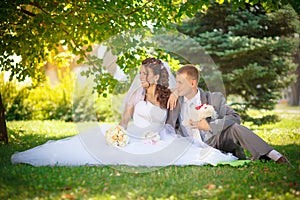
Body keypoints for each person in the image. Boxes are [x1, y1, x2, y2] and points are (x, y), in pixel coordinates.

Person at [11, 58, 237, 167]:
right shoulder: (136, 95)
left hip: (159, 137)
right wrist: (120, 130)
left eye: (145, 75)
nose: (141, 78)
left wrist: (176, 93)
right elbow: (124, 121)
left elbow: (185, 96)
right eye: (140, 74)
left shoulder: (168, 95)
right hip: (133, 134)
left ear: (156, 77)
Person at [166, 64, 290, 164]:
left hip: (214, 142)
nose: (177, 86)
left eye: (180, 83)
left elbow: (235, 117)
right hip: (188, 145)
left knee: (235, 128)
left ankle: (274, 155)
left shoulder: (214, 98)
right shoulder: (175, 100)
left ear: (192, 84)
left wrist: (210, 126)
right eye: (176, 82)